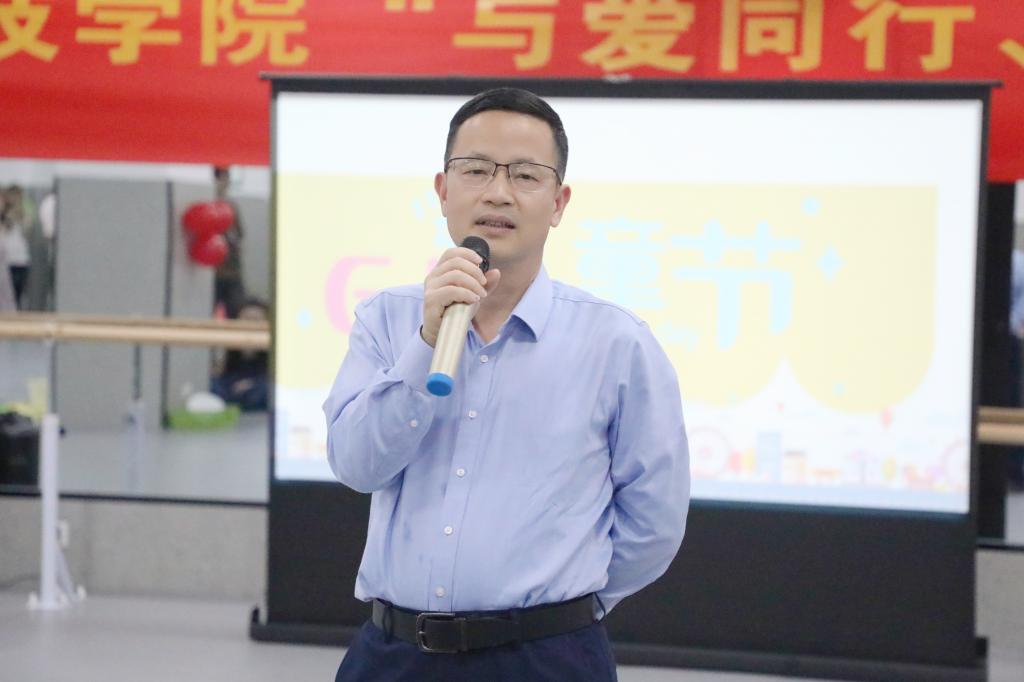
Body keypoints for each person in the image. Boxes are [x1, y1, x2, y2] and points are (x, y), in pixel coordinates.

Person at [323, 88, 690, 681]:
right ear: (443, 190)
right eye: (475, 170)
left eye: (524, 174)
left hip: (545, 657)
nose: (498, 192)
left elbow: (655, 520)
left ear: (558, 202)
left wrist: (564, 610)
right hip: (393, 655)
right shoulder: (386, 319)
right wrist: (426, 342)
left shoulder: (616, 343)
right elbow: (356, 465)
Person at [211, 298, 269, 411]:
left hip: (257, 394)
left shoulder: (271, 351)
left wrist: (252, 384)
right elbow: (219, 375)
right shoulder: (229, 347)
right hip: (230, 391)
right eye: (246, 319)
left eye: (256, 320)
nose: (250, 325)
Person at [212, 166, 246, 318]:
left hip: (232, 271)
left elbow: (240, 235)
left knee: (236, 310)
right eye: (222, 178)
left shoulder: (231, 207)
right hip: (213, 273)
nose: (225, 183)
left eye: (227, 179)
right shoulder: (208, 204)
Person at [0, 185, 31, 309]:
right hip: (6, 261)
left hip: (20, 260)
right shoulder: (5, 218)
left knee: (15, 295)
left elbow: (27, 227)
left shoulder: (20, 216)